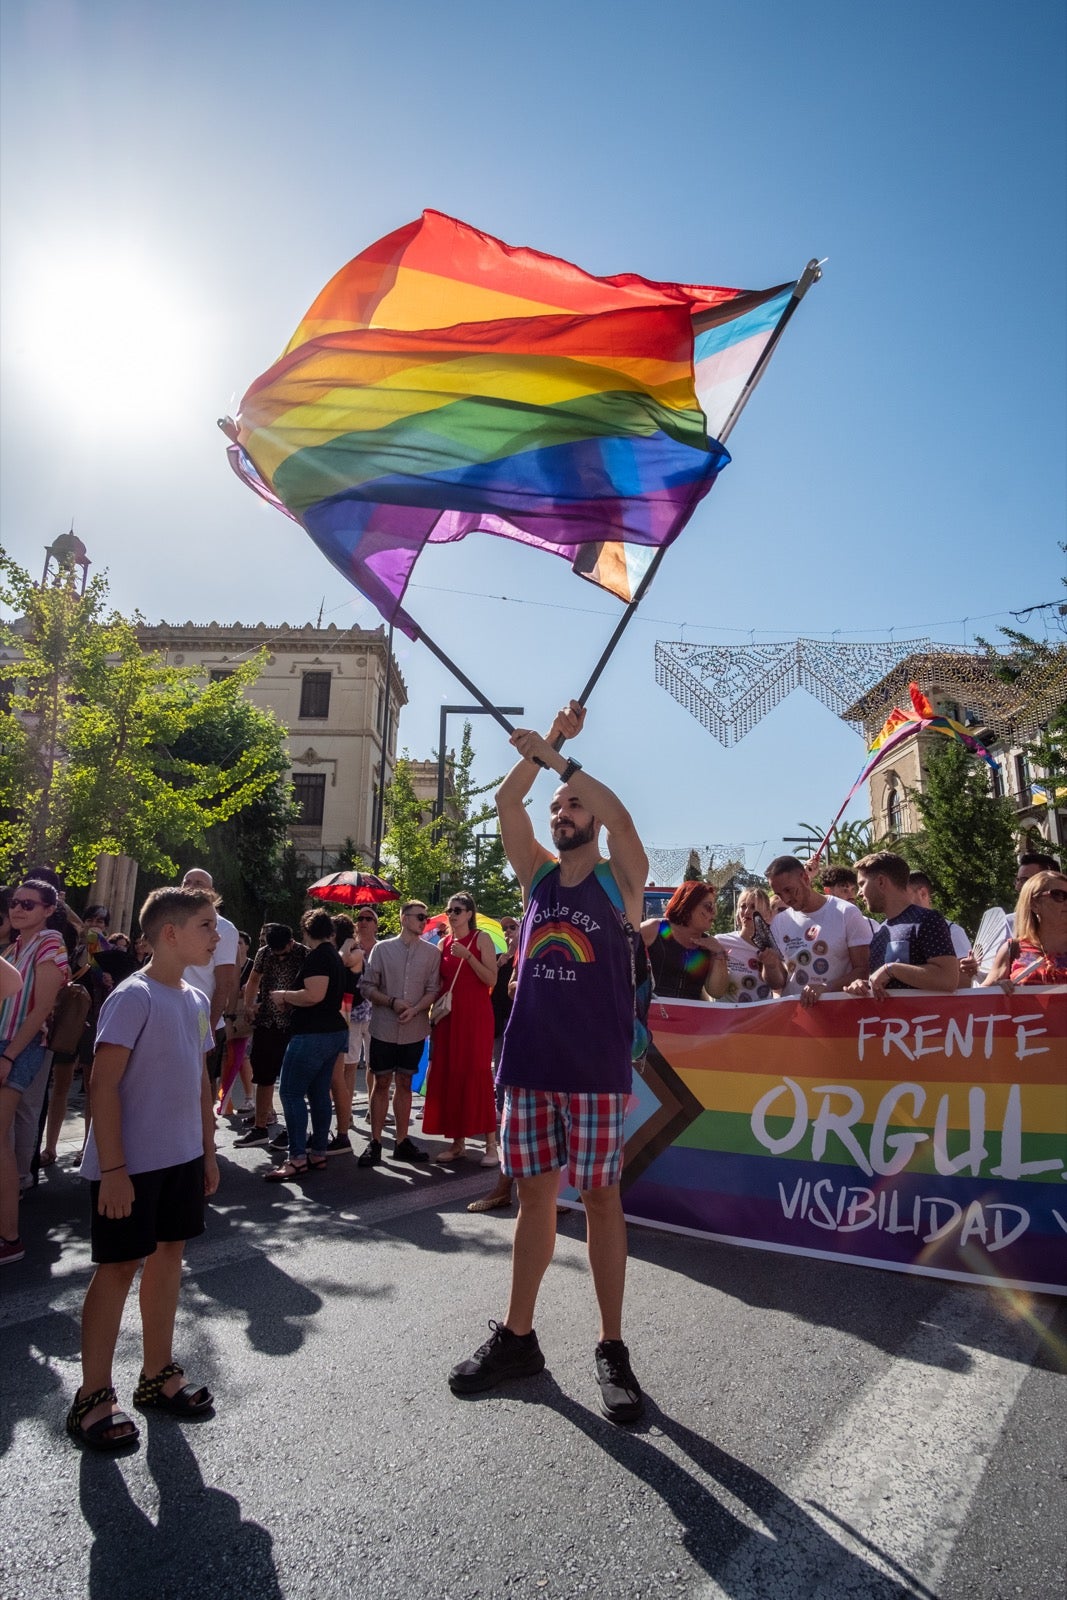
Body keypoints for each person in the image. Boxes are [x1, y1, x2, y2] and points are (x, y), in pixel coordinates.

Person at [449, 701, 648, 1425]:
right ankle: (519, 1338)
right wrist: (549, 742)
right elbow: (508, 803)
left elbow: (620, 818)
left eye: (571, 805)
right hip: (529, 1065)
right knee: (534, 1200)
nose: (561, 812)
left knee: (599, 1200)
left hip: (594, 1070)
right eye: (557, 807)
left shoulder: (621, 879)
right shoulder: (535, 876)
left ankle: (611, 1346)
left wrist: (562, 759)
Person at [66, 886, 220, 1450]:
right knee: (117, 1267)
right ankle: (92, 1395)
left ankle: (157, 1373)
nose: (216, 935)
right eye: (206, 925)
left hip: (182, 1158)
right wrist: (113, 1169)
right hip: (129, 1166)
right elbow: (102, 1084)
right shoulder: (133, 997)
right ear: (170, 933)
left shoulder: (196, 999)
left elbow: (200, 1079)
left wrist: (207, 1150)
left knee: (168, 1256)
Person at [0, 880, 71, 1264]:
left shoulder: (49, 943)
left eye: (28, 904)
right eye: (15, 902)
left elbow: (42, 1008)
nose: (18, 909)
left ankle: (10, 1237)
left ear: (48, 909)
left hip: (20, 1048)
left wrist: (9, 1056)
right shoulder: (13, 948)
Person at [264, 909, 348, 1182]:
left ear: (306, 931)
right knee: (319, 1093)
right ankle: (318, 1152)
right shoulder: (333, 955)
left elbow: (314, 995)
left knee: (290, 1093)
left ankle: (297, 1157)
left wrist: (284, 995)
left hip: (313, 1034)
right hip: (332, 1031)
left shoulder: (319, 957)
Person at [358, 902, 440, 1166]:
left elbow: (433, 989)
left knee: (405, 1083)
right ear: (404, 919)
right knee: (381, 1082)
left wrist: (415, 1009)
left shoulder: (432, 953)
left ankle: (402, 1141)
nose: (424, 921)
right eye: (420, 916)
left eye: (425, 917)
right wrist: (392, 1002)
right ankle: (375, 1142)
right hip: (383, 1027)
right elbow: (367, 987)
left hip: (414, 1030)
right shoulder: (382, 949)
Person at [422, 892, 499, 1164]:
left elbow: (491, 979)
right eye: (449, 910)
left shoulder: (481, 939)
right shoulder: (442, 943)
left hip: (475, 1016)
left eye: (457, 910)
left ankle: (491, 1145)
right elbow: (436, 983)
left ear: (469, 913)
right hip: (449, 1017)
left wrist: (468, 957)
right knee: (450, 1074)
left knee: (477, 1073)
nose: (452, 915)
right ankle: (457, 1143)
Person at [845, 852, 959, 998]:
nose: (859, 893)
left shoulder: (927, 919)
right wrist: (864, 985)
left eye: (862, 884)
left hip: (924, 1013)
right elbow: (885, 983)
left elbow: (948, 979)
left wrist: (892, 969)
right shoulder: (880, 932)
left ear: (881, 882)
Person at [468, 912, 522, 1213]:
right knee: (514, 1110)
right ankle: (503, 1187)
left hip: (546, 1038)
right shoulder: (508, 957)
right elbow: (507, 990)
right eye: (506, 928)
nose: (509, 931)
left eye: (513, 926)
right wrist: (505, 965)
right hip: (509, 1030)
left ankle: (558, 1194)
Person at [234, 924, 307, 1149]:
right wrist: (249, 1005)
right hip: (266, 1021)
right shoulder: (264, 953)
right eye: (274, 951)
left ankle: (292, 1130)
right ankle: (260, 1127)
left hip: (294, 1024)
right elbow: (254, 979)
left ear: (291, 943)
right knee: (263, 1076)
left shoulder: (304, 954)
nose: (278, 956)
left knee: (293, 1080)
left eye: (282, 952)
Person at [766, 856, 872, 1006]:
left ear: (805, 878)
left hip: (837, 1012)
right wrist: (770, 966)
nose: (786, 899)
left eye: (788, 890)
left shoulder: (847, 912)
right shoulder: (779, 921)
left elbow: (863, 970)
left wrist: (826, 988)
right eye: (779, 894)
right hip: (795, 1014)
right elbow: (779, 982)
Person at [180, 869, 239, 1082]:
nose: (191, 886)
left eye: (199, 883)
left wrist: (209, 1029)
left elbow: (224, 983)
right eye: (187, 881)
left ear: (212, 892)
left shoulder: (224, 929)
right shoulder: (172, 920)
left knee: (200, 1084)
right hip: (173, 1014)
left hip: (201, 1019)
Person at [967, 852, 1060, 982]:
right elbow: (993, 978)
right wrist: (975, 971)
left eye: (1026, 880)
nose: (1019, 887)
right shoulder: (1007, 926)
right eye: (1018, 880)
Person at [639, 882, 728, 1000]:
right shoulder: (656, 928)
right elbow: (621, 954)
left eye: (714, 907)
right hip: (652, 1009)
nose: (713, 912)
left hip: (690, 1011)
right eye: (708, 906)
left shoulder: (710, 946)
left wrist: (720, 954)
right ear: (688, 905)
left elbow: (716, 992)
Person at [981, 870, 1067, 988]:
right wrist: (998, 987)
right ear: (1034, 904)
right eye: (1059, 895)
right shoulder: (1013, 949)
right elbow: (983, 993)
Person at [714, 888, 787, 1002]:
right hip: (727, 1012)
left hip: (762, 1013)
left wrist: (770, 966)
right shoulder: (720, 942)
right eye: (743, 906)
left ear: (767, 914)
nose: (747, 911)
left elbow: (778, 985)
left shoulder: (774, 946)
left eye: (753, 907)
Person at [907, 872, 972, 980]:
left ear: (923, 893)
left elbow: (967, 979)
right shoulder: (898, 932)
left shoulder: (953, 931)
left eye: (905, 896)